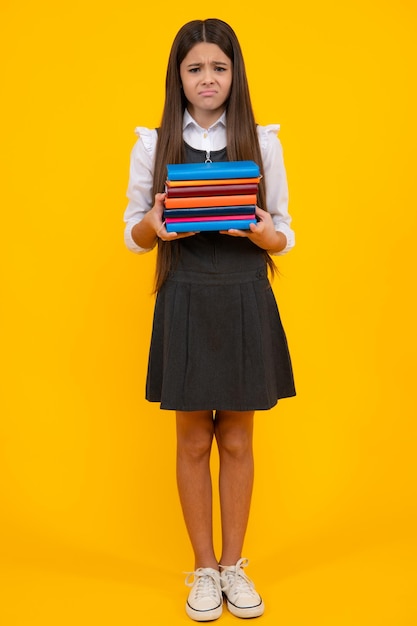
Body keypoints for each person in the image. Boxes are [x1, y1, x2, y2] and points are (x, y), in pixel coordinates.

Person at [123, 18, 296, 622]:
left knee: (240, 439)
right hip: (187, 294)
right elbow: (134, 236)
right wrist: (157, 218)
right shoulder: (153, 143)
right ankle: (202, 570)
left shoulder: (262, 141)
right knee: (194, 439)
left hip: (244, 292)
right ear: (178, 76)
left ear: (234, 74)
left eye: (218, 68)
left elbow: (284, 234)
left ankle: (233, 567)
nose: (207, 79)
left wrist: (263, 231)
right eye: (195, 68)